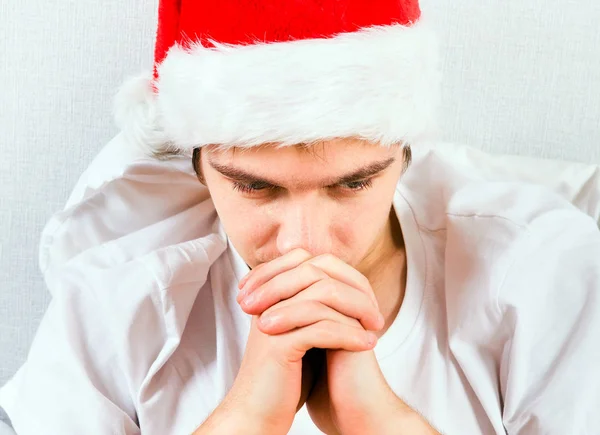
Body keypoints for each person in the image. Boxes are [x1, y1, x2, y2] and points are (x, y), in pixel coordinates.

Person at [1, 0, 599, 434]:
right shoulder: (112, 301)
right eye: (256, 188)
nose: (307, 243)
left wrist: (379, 421)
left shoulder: (541, 271)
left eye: (355, 183)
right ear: (199, 167)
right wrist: (248, 418)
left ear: (405, 156)